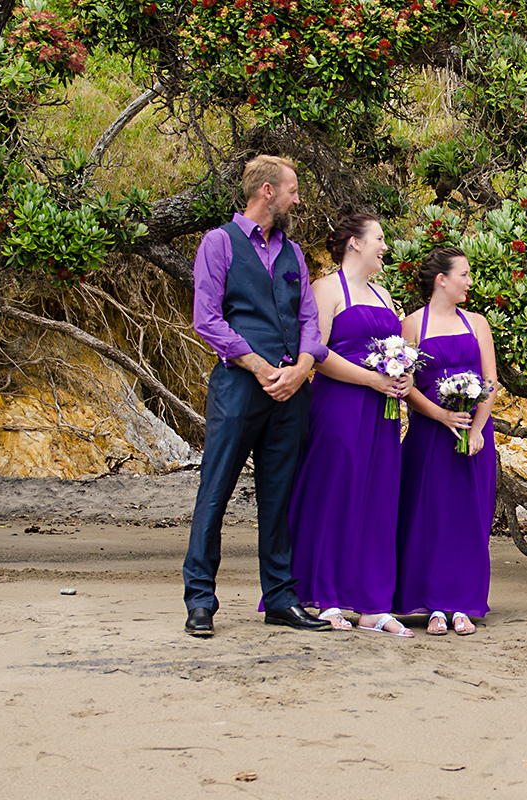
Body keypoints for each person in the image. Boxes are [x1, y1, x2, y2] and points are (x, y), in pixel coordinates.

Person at [183, 155, 332, 636]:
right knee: (215, 490)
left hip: (291, 393)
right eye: (292, 189)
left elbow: (310, 320)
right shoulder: (219, 243)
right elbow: (207, 318)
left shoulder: (294, 254)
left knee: (279, 495)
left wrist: (302, 369)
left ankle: (281, 598)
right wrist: (260, 365)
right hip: (239, 386)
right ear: (267, 191)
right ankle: (200, 599)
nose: (297, 198)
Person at [283, 213, 415, 637]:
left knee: (378, 497)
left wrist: (403, 376)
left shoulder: (383, 293)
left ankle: (372, 603)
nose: (385, 246)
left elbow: (398, 347)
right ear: (354, 243)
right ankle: (324, 595)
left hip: (384, 412)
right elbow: (317, 350)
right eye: (379, 238)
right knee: (336, 493)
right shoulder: (326, 288)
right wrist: (373, 380)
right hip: (340, 405)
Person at [393, 247, 497, 636]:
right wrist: (439, 414)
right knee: (430, 516)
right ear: (442, 280)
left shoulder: (478, 323)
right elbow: (404, 384)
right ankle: (434, 604)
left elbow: (490, 382)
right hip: (430, 434)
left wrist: (475, 429)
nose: (470, 282)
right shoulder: (412, 325)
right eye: (465, 274)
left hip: (474, 434)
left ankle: (462, 604)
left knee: (469, 518)